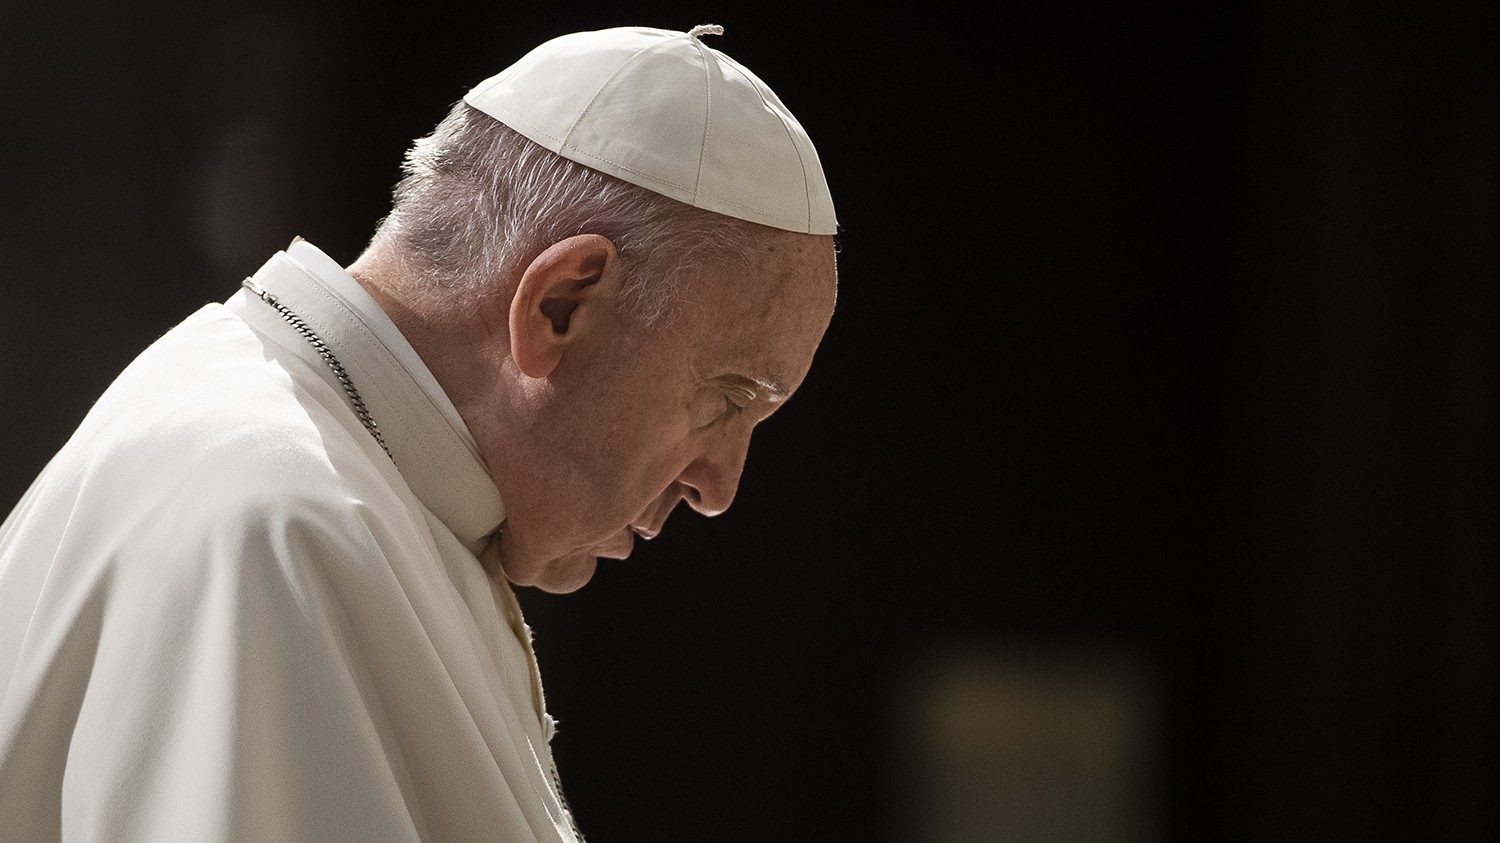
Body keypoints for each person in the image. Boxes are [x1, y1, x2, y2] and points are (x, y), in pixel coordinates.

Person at [0, 23, 838, 841]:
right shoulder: (279, 526)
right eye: (728, 398)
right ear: (561, 305)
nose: (719, 485)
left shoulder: (322, 467)